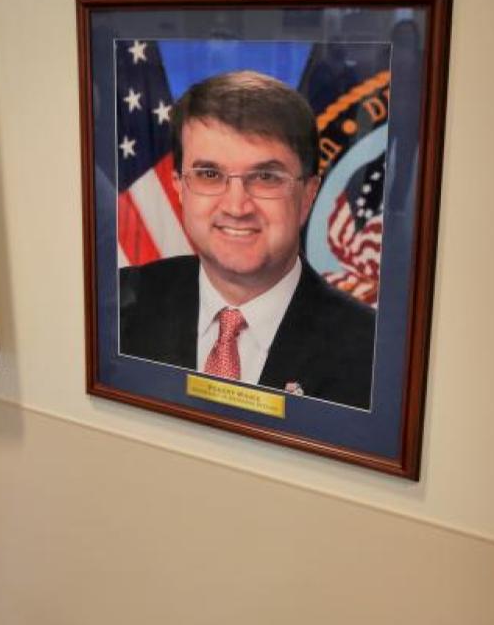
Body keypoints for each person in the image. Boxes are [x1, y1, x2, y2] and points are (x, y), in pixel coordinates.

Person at [118, 70, 376, 409]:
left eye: (266, 177)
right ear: (179, 187)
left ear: (309, 194)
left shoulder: (371, 351)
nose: (236, 206)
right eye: (209, 174)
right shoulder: (122, 304)